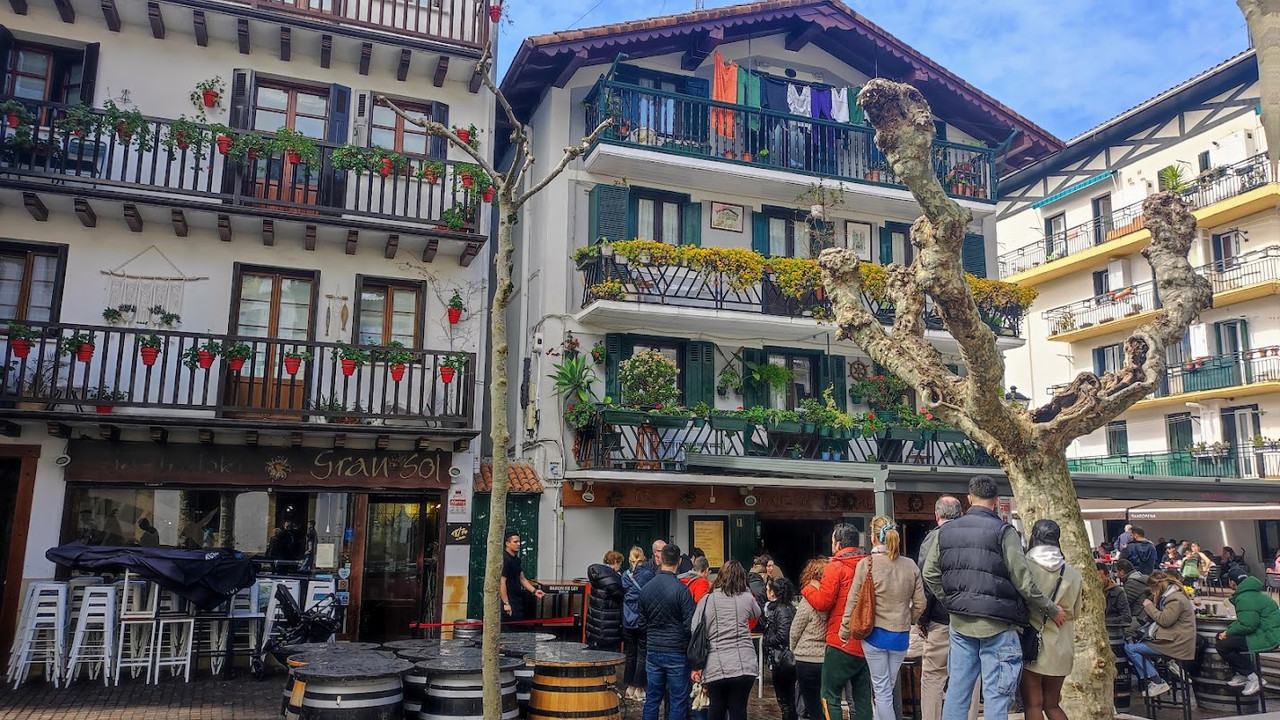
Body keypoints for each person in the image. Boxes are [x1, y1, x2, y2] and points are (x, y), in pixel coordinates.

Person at [921, 476, 1064, 720]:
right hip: (999, 622)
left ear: (969, 499)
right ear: (996, 502)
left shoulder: (946, 532)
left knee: (957, 691)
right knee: (996, 696)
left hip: (960, 621)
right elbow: (1023, 581)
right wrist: (1051, 609)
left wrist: (951, 600)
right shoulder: (1003, 531)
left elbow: (929, 573)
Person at [838, 516, 925, 720]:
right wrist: (909, 618)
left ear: (874, 538)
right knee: (886, 686)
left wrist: (844, 630)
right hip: (900, 635)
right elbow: (920, 602)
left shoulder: (866, 564)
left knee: (882, 690)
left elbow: (852, 601)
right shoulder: (910, 565)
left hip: (874, 633)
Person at [800, 523, 870, 720]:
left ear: (838, 544)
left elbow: (823, 602)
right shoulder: (869, 563)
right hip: (866, 640)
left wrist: (807, 589)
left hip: (841, 640)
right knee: (862, 696)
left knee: (829, 694)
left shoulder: (835, 566)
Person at [916, 496, 976, 720]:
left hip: (941, 617)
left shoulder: (933, 538)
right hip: (971, 616)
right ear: (960, 513)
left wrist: (923, 618)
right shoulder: (974, 536)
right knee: (970, 674)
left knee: (933, 675)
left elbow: (927, 581)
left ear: (936, 515)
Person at [1020, 520, 1083, 720]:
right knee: (1052, 705)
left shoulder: (1024, 567)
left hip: (1033, 647)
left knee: (1033, 705)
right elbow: (1076, 612)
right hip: (1062, 647)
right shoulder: (1073, 573)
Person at [691, 559, 760, 720]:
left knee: (716, 707)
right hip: (744, 663)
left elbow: (695, 627)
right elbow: (756, 613)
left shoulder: (706, 600)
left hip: (716, 663)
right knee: (738, 709)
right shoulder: (747, 597)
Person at [638, 543, 694, 720]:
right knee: (678, 700)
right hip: (676, 651)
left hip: (653, 649)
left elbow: (641, 623)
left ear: (660, 559)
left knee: (652, 698)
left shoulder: (646, 589)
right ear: (679, 561)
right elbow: (690, 624)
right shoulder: (682, 590)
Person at [1123, 570, 1196, 697]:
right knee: (1139, 644)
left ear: (1156, 588)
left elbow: (1165, 620)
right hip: (1173, 640)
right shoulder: (1172, 596)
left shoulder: (1175, 599)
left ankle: (1156, 680)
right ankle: (1164, 669)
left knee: (1130, 648)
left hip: (1176, 644)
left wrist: (1149, 606)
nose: (1152, 593)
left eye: (1152, 591)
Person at [1215, 566, 1280, 696]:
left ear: (1232, 582)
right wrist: (1227, 632)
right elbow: (1246, 621)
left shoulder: (1244, 597)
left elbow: (1248, 625)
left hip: (1267, 637)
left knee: (1223, 645)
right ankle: (1242, 673)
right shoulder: (1254, 593)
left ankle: (1253, 678)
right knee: (1224, 639)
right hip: (1268, 633)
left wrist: (1227, 633)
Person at [790, 558, 828, 720]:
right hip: (827, 657)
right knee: (828, 701)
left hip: (806, 658)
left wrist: (793, 649)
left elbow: (795, 630)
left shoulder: (808, 600)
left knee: (812, 705)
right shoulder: (833, 600)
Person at [623, 546, 656, 701]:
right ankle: (640, 688)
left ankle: (629, 687)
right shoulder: (649, 574)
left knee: (630, 654)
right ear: (643, 558)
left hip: (628, 619)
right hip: (642, 619)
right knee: (642, 654)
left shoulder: (625, 575)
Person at [763, 576, 798, 720]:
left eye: (768, 589)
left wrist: (767, 640)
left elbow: (783, 635)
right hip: (783, 658)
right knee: (787, 699)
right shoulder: (787, 608)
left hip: (783, 659)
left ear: (773, 592)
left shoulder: (781, 610)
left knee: (785, 700)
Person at [500, 531, 545, 622]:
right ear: (507, 544)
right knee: (510, 628)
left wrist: (535, 591)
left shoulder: (516, 560)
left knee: (519, 624)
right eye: (515, 542)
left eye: (519, 542)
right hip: (508, 598)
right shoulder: (505, 560)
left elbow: (522, 579)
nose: (518, 544)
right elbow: (502, 582)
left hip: (517, 598)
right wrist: (506, 603)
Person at [587, 550, 626, 650]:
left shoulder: (599, 575)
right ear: (616, 562)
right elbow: (621, 595)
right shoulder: (612, 580)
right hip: (608, 625)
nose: (620, 567)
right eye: (620, 564)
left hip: (595, 623)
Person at [1097, 563, 1132, 630]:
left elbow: (1126, 617)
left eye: (1100, 577)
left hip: (1112, 631)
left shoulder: (1118, 592)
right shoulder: (1089, 593)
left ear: (1107, 576)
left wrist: (1103, 621)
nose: (1097, 581)